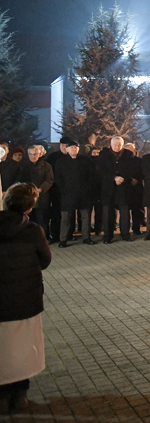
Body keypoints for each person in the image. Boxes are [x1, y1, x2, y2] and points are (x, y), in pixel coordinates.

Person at [0, 183, 51, 415]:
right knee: (23, 348)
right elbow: (45, 260)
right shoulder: (33, 231)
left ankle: (2, 396)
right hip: (25, 300)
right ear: (29, 208)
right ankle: (20, 395)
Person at [54, 141, 95, 246]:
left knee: (85, 217)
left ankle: (86, 237)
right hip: (67, 194)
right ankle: (63, 239)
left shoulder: (85, 160)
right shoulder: (61, 162)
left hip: (83, 193)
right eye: (71, 148)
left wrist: (88, 188)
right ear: (67, 149)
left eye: (75, 147)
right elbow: (58, 178)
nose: (74, 149)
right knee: (65, 218)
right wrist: (63, 189)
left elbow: (91, 175)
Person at [98, 136, 137, 244]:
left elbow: (132, 169)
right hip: (108, 188)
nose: (116, 147)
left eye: (119, 145)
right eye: (114, 145)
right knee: (108, 213)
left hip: (124, 187)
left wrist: (123, 178)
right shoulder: (103, 154)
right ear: (111, 144)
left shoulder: (129, 154)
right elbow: (101, 170)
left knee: (124, 213)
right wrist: (114, 178)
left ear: (122, 145)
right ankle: (107, 236)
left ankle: (125, 234)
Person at [16, 146, 54, 241]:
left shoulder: (46, 166)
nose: (33, 156)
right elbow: (20, 179)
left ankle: (43, 238)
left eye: (35, 154)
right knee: (29, 220)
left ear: (39, 154)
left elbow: (50, 180)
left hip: (41, 197)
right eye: (31, 154)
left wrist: (41, 189)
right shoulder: (23, 166)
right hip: (28, 197)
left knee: (42, 220)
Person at [124, 143, 145, 235]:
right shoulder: (122, 161)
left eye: (131, 150)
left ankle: (136, 229)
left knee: (137, 210)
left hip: (137, 188)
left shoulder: (140, 161)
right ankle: (125, 230)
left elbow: (144, 172)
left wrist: (138, 180)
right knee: (125, 211)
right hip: (126, 188)